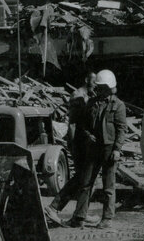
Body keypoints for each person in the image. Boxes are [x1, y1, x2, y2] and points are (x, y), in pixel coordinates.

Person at [68, 69, 127, 229]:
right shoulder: (92, 103)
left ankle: (107, 218)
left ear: (110, 87)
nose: (99, 89)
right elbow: (83, 124)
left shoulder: (118, 105)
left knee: (108, 186)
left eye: (103, 87)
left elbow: (122, 129)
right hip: (93, 148)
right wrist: (88, 135)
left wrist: (117, 149)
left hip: (109, 149)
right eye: (99, 87)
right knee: (86, 183)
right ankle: (79, 217)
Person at [45, 72, 97, 226]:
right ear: (87, 80)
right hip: (79, 143)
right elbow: (72, 123)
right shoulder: (77, 96)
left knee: (86, 179)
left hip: (87, 143)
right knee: (80, 178)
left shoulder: (89, 95)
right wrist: (73, 145)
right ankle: (54, 207)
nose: (96, 85)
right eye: (94, 82)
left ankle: (81, 213)